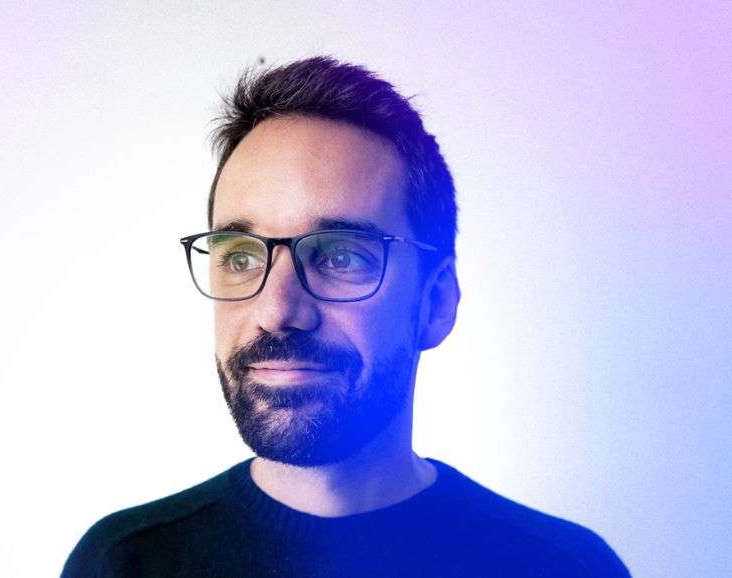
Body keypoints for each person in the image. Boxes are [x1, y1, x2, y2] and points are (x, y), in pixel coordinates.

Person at [62, 56, 630, 577]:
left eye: (340, 257)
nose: (276, 310)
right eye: (240, 257)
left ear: (435, 303)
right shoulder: (122, 564)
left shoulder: (565, 567)